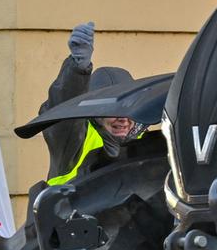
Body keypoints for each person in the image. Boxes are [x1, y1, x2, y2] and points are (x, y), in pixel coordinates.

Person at [40, 21, 144, 185]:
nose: (123, 118)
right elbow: (63, 114)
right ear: (94, 110)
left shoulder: (148, 142)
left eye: (127, 106)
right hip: (67, 210)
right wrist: (77, 70)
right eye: (113, 109)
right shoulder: (74, 139)